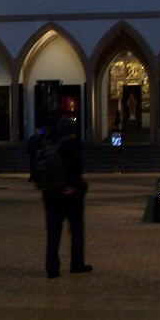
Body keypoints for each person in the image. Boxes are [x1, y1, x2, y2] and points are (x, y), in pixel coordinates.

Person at [41, 117, 91, 279]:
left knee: (53, 232)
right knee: (76, 231)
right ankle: (77, 264)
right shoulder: (72, 144)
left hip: (50, 193)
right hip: (70, 195)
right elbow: (76, 168)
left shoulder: (47, 143)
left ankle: (52, 267)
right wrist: (74, 186)